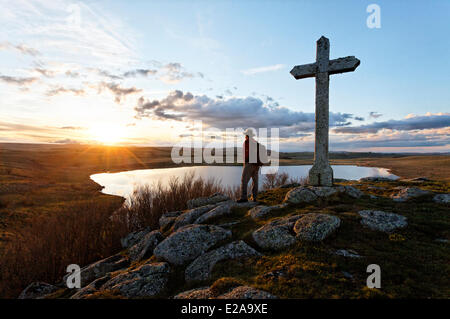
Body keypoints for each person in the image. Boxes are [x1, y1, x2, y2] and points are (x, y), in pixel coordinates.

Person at [237, 128, 267, 203]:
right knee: (255, 181)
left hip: (249, 164)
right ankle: (255, 197)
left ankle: (243, 198)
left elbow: (246, 155)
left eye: (245, 135)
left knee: (244, 180)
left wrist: (246, 162)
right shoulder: (256, 142)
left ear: (247, 135)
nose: (245, 137)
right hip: (257, 165)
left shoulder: (247, 142)